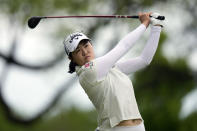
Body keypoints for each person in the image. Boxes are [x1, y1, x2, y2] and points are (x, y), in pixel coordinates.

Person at [63, 12, 163, 131]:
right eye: (78, 50)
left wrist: (156, 27)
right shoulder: (88, 71)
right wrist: (144, 24)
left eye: (86, 45)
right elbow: (123, 46)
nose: (85, 52)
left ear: (91, 44)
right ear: (71, 58)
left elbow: (144, 60)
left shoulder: (110, 69)